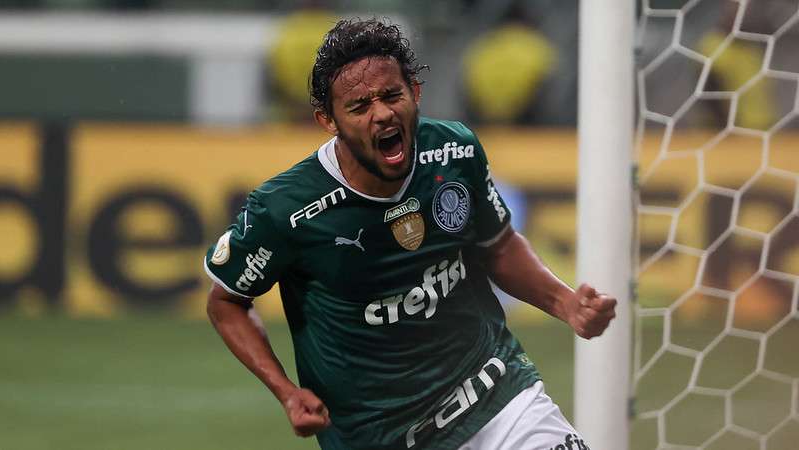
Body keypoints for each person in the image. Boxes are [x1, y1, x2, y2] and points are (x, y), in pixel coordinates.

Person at [204, 18, 614, 450]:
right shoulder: (286, 207)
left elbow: (498, 245)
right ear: (328, 120)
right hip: (380, 438)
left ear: (415, 92)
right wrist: (286, 392)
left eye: (391, 95)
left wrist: (565, 302)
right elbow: (227, 301)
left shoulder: (455, 150)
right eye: (359, 106)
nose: (381, 113)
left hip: (498, 396)